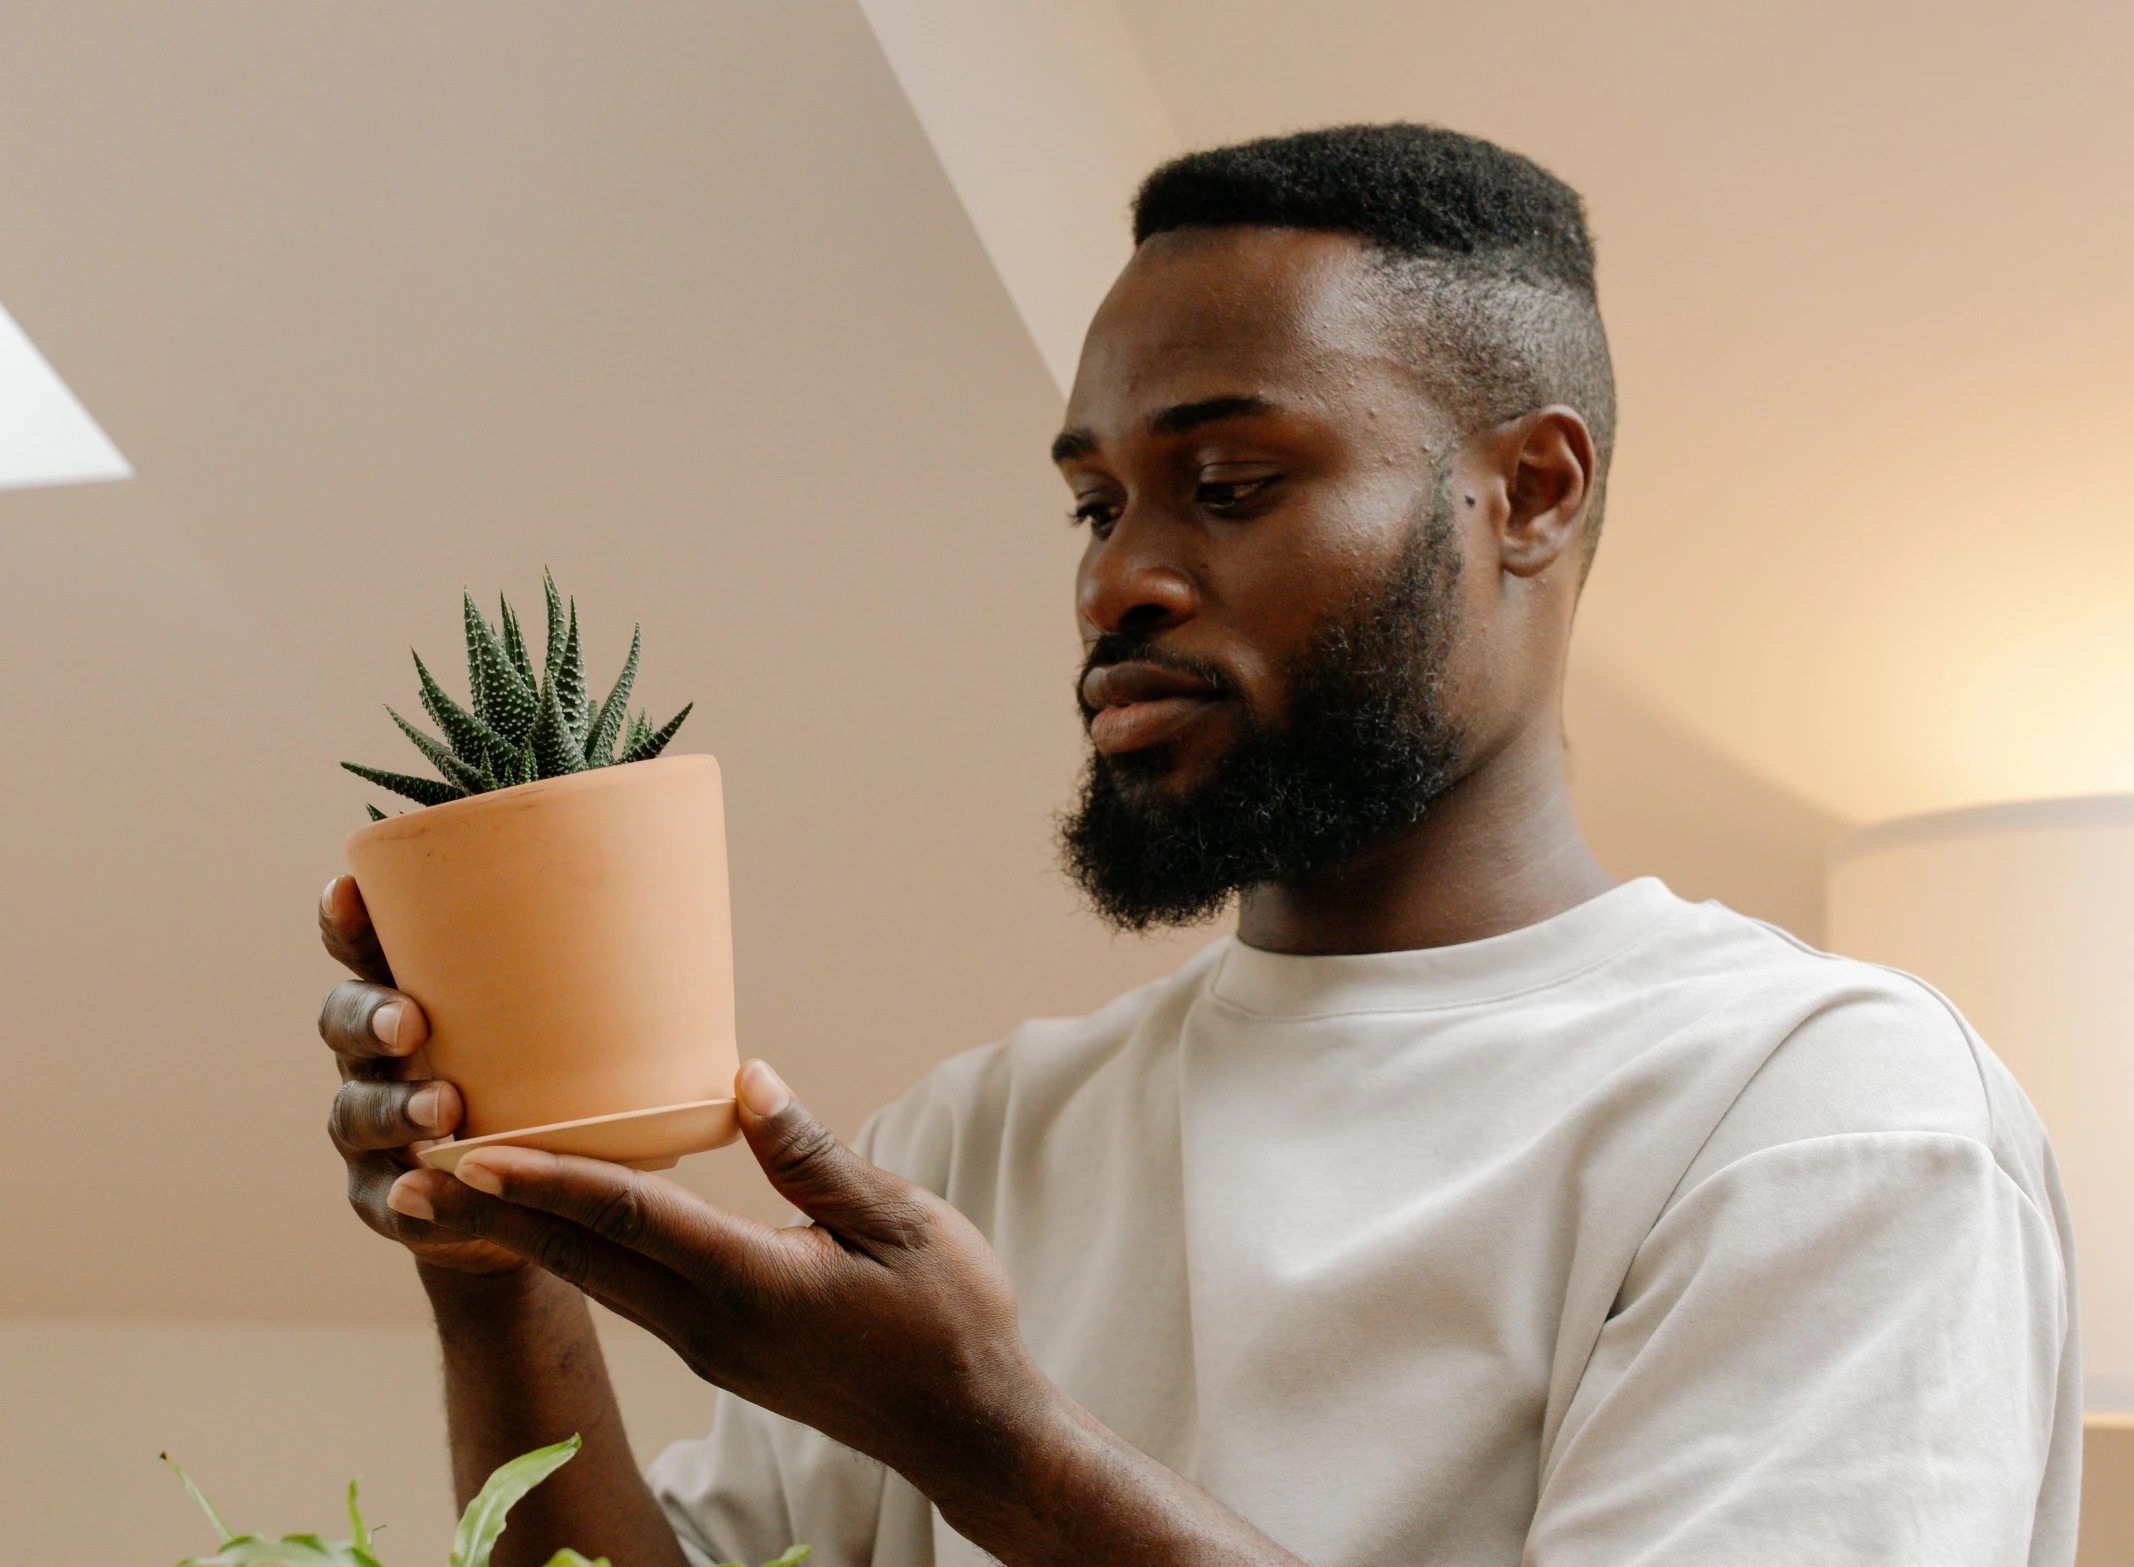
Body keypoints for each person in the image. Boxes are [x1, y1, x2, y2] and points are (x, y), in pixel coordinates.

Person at [315, 124, 2078, 1566]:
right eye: (1095, 503)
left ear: (1531, 492)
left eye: (1228, 486)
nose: (1116, 580)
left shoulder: (1814, 1115)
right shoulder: (976, 1139)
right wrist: (488, 1276)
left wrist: (984, 1436)